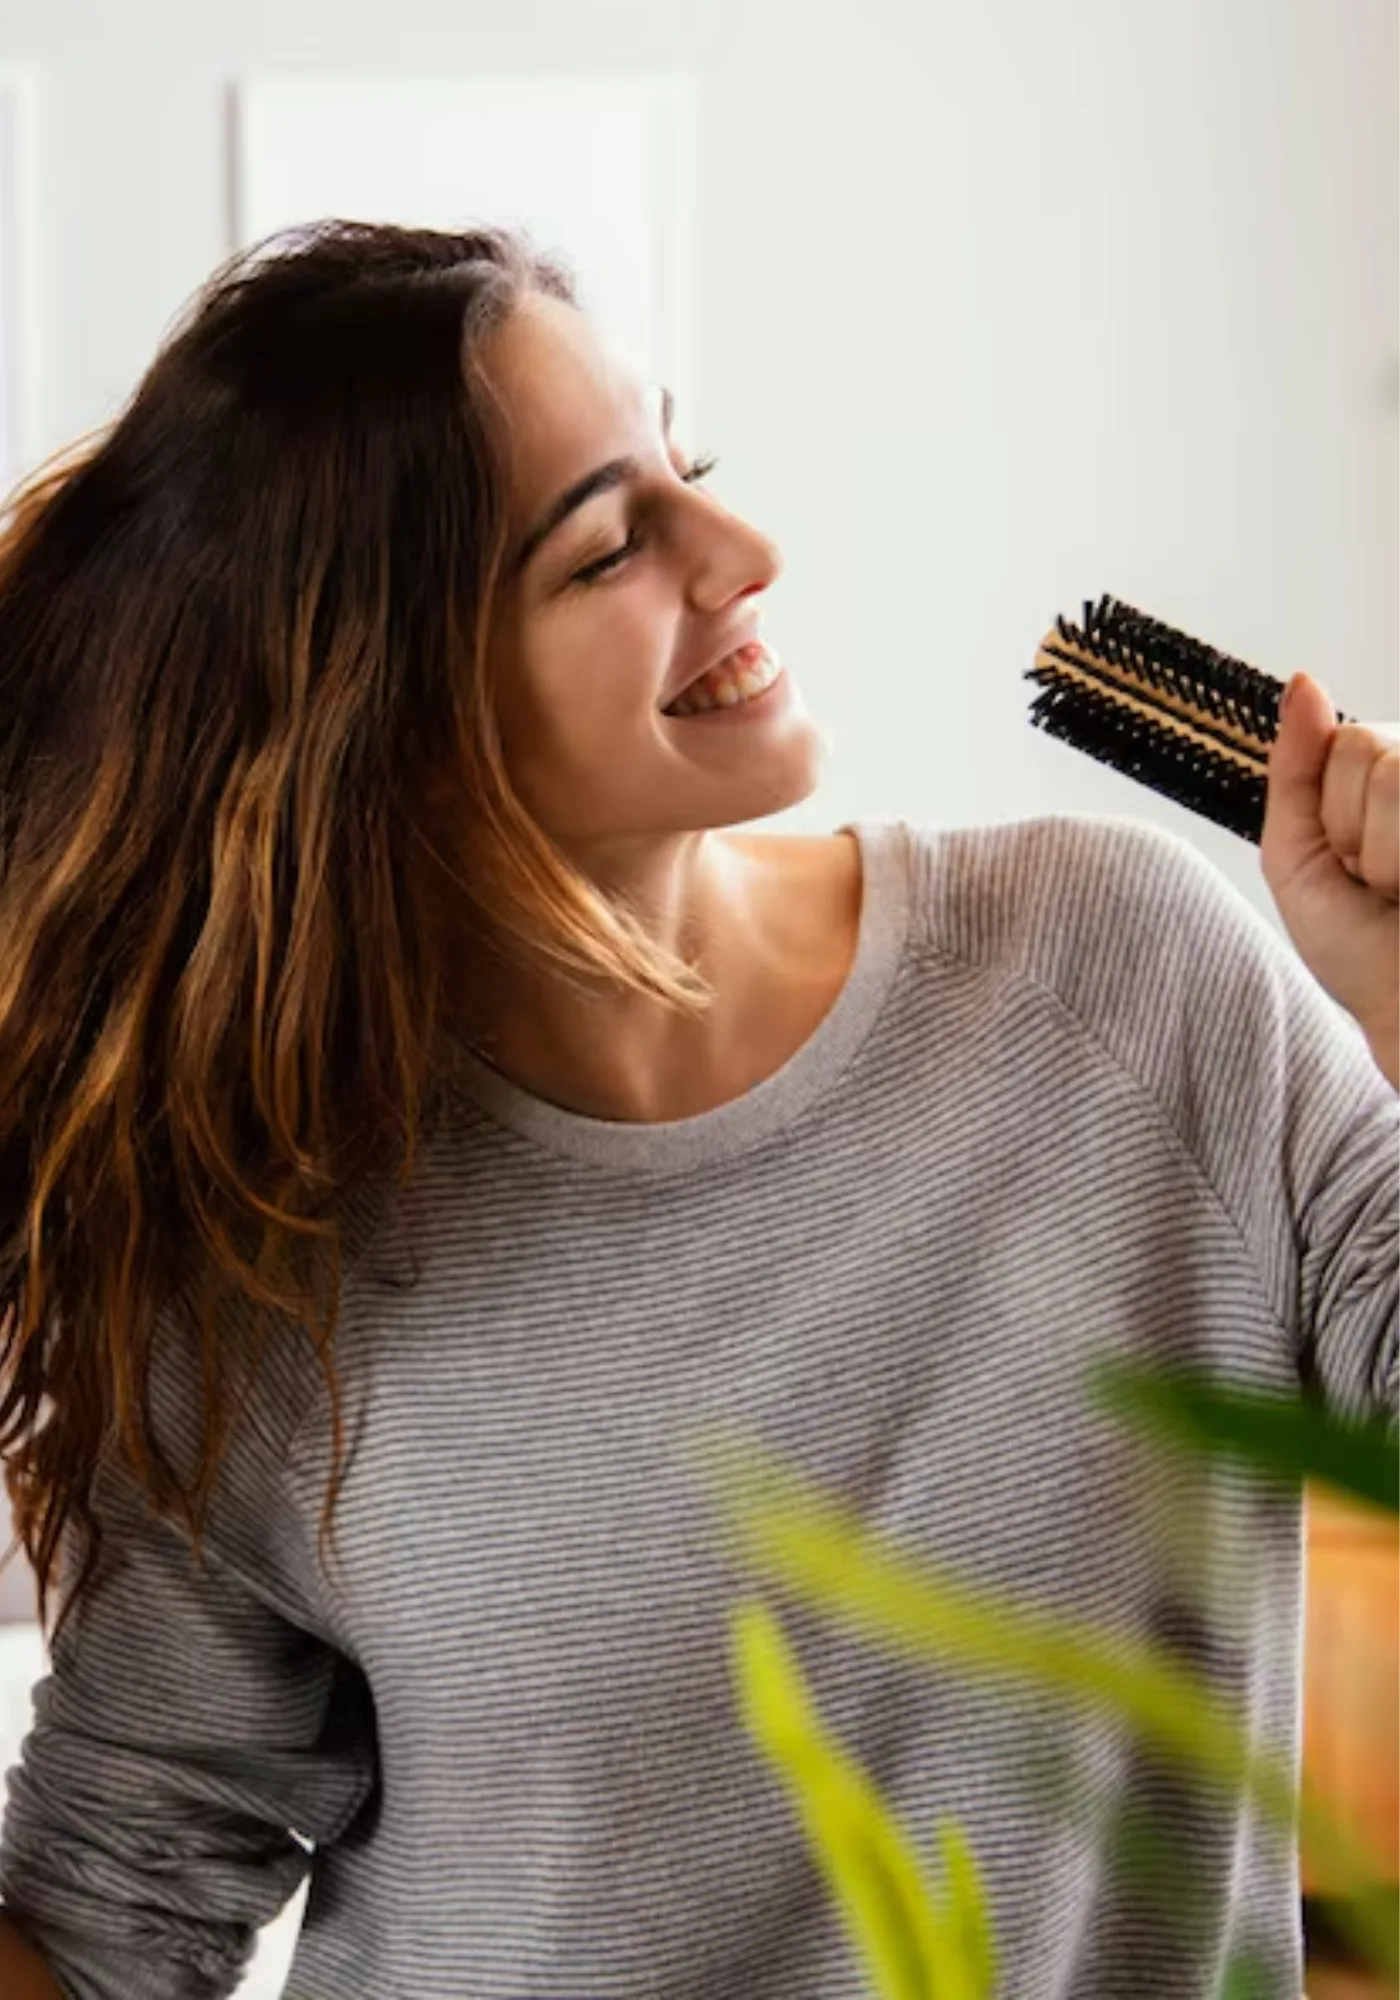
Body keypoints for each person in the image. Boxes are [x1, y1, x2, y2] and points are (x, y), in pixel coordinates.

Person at [0, 219, 1393, 2000]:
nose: (743, 551)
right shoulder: (274, 1264)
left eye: (691, 465)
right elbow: (113, 1928)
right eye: (608, 551)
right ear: (388, 721)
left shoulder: (1126, 978)